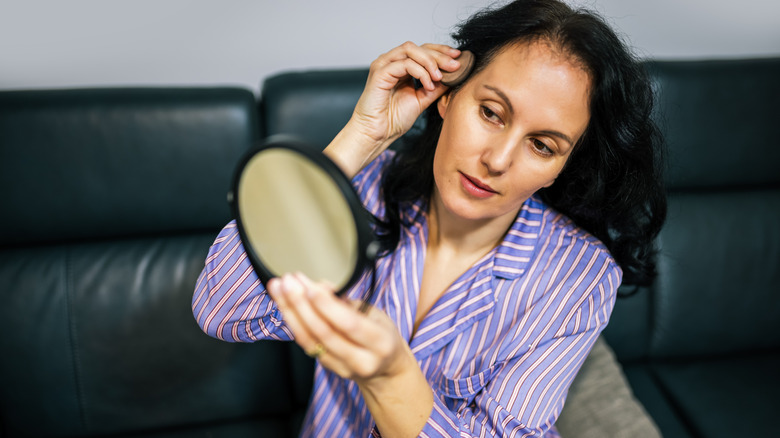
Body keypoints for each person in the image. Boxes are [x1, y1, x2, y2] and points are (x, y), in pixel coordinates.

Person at [192, 0, 666, 436]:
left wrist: (391, 377)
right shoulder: (363, 188)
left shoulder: (580, 275)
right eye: (491, 112)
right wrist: (363, 137)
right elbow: (222, 310)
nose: (498, 160)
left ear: (562, 166)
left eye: (542, 145)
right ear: (447, 97)